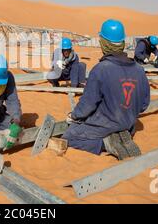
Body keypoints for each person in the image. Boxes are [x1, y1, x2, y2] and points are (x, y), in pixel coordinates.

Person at [63, 19, 150, 160]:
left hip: (106, 124)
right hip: (129, 124)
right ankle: (120, 135)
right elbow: (144, 105)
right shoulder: (139, 70)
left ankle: (105, 143)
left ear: (104, 43)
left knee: (69, 136)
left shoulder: (101, 69)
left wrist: (74, 116)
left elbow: (88, 104)